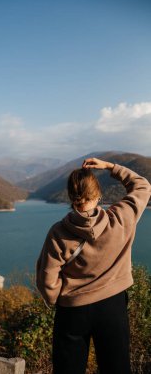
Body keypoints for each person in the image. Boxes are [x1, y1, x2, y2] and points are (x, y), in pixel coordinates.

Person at [36, 157, 151, 374]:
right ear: (98, 195)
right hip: (113, 307)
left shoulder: (58, 232)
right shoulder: (121, 218)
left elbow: (47, 278)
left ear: (71, 197)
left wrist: (57, 299)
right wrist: (110, 167)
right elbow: (142, 185)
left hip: (73, 310)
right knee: (116, 367)